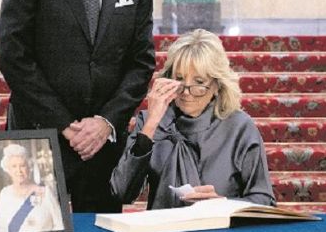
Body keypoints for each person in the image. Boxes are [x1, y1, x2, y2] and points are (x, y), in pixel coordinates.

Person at [0, 0, 156, 213]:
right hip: (40, 133)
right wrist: (65, 125)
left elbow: (141, 62)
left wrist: (105, 123)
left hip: (103, 143)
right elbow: (14, 55)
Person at [110, 29, 275, 210]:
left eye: (198, 82)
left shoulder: (239, 127)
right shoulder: (152, 122)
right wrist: (150, 126)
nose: (187, 92)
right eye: (179, 79)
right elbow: (122, 192)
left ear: (216, 85)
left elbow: (264, 200)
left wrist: (222, 205)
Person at [0, 144, 63, 232]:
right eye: (14, 166)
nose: (19, 170)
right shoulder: (5, 194)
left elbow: (60, 225)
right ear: (8, 170)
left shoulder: (45, 192)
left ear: (29, 168)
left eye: (22, 166)